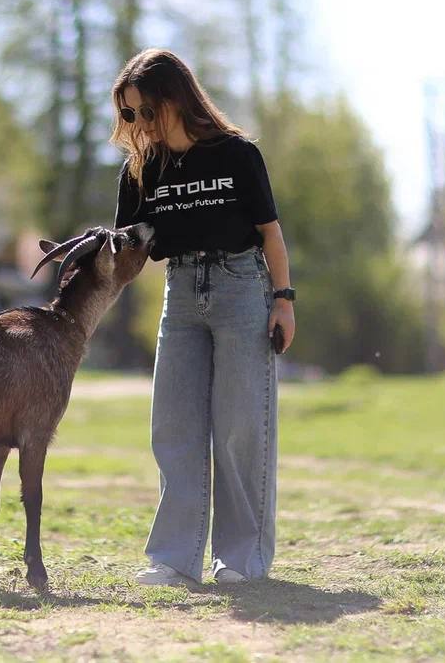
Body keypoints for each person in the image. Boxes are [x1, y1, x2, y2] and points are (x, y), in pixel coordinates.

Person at [112, 48, 295, 586]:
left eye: (144, 110)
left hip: (244, 290)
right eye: (127, 114)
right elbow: (128, 250)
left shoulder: (237, 155)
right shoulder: (140, 172)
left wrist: (283, 300)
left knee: (241, 427)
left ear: (175, 99)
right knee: (174, 426)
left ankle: (240, 560)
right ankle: (175, 559)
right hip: (182, 296)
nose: (138, 123)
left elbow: (271, 235)